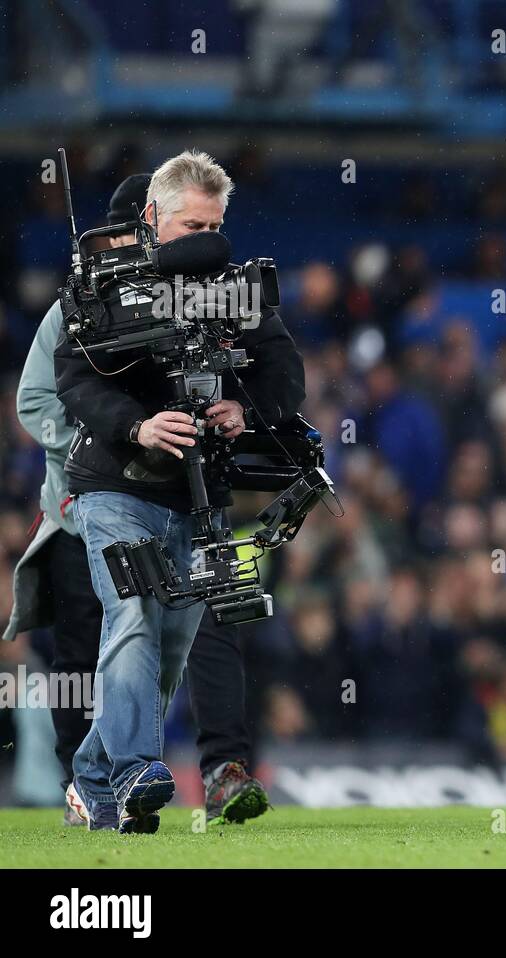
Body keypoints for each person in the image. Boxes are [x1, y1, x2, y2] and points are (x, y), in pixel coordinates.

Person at [2, 173, 275, 828]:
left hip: (174, 498)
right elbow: (37, 400)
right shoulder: (81, 302)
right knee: (91, 647)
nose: (130, 242)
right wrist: (104, 445)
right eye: (124, 231)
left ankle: (96, 780)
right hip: (81, 504)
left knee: (160, 648)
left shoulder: (188, 295)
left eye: (139, 232)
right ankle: (101, 779)